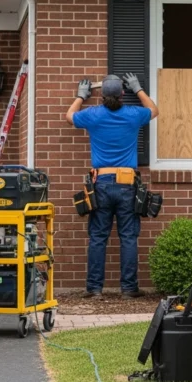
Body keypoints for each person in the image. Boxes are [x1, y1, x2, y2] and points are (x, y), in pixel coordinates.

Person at [65, 72, 159, 298]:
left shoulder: (94, 114)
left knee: (98, 236)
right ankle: (128, 288)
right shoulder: (133, 114)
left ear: (101, 96)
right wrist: (139, 89)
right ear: (123, 93)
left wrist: (80, 96)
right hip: (127, 183)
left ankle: (94, 288)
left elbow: (69, 116)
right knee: (128, 237)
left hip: (102, 183)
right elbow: (154, 111)